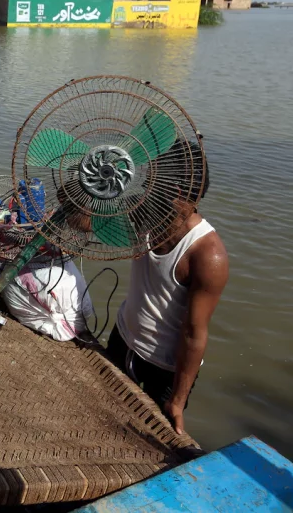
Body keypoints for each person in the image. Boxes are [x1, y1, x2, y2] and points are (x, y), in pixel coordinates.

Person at [105, 140, 229, 435]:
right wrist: (89, 183)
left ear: (174, 193)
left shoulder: (207, 255)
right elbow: (83, 222)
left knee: (144, 440)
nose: (144, 187)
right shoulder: (143, 212)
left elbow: (194, 333)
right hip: (123, 339)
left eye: (151, 182)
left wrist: (177, 400)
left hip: (166, 369)